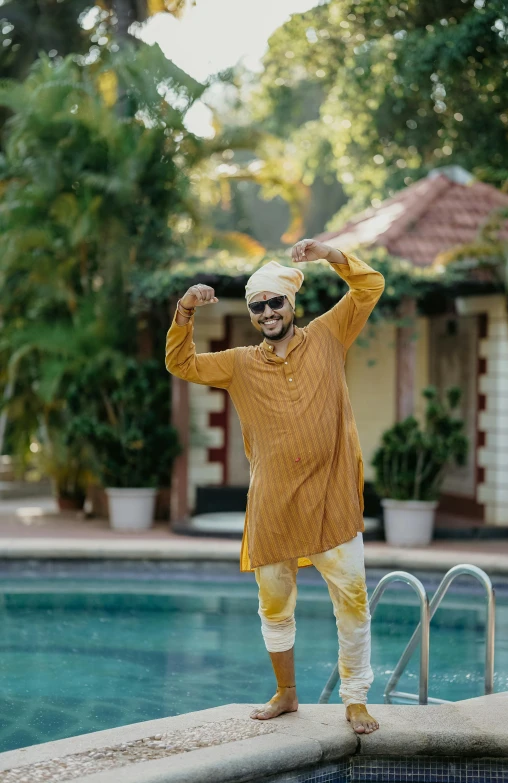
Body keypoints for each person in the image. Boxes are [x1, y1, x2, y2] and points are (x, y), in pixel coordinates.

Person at [166, 239, 385, 734]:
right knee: (274, 606)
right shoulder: (241, 362)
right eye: (257, 305)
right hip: (273, 506)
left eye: (274, 302)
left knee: (352, 602)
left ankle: (355, 700)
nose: (266, 311)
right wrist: (184, 310)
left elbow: (371, 284)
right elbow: (182, 364)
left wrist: (329, 252)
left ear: (291, 303)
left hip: (333, 500)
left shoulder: (329, 334)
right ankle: (287, 693)